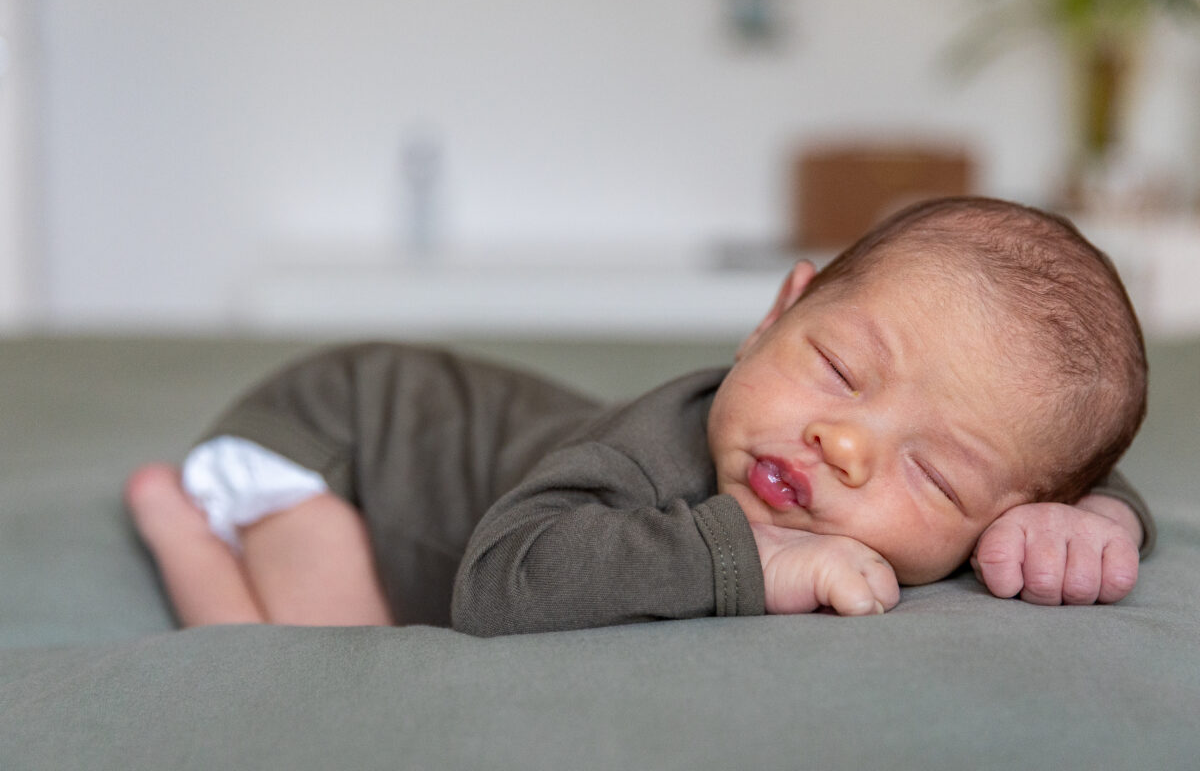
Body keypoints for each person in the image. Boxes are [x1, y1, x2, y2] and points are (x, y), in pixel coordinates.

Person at [125, 196, 1152, 637]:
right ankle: (182, 525)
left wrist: (1094, 519)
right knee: (327, 669)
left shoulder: (1016, 486)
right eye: (839, 368)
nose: (844, 443)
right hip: (350, 435)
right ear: (775, 316)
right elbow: (499, 580)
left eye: (933, 474)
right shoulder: (640, 459)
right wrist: (747, 559)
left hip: (433, 427)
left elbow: (1060, 466)